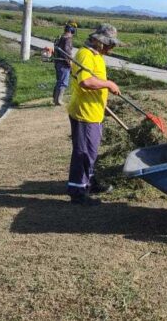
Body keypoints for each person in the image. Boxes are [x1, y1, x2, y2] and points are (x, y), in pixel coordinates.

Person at [66, 24, 122, 206]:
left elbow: (95, 80)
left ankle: (90, 182)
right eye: (109, 44)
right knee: (83, 152)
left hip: (95, 112)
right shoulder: (85, 55)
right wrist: (109, 84)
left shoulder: (98, 56)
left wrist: (104, 103)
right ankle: (78, 192)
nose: (111, 48)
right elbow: (86, 81)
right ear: (99, 41)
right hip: (84, 112)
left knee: (91, 152)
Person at [52, 21, 76, 106]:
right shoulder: (67, 39)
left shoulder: (60, 37)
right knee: (63, 82)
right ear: (72, 30)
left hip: (57, 61)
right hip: (63, 62)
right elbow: (66, 52)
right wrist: (69, 63)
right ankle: (58, 100)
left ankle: (55, 99)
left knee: (59, 81)